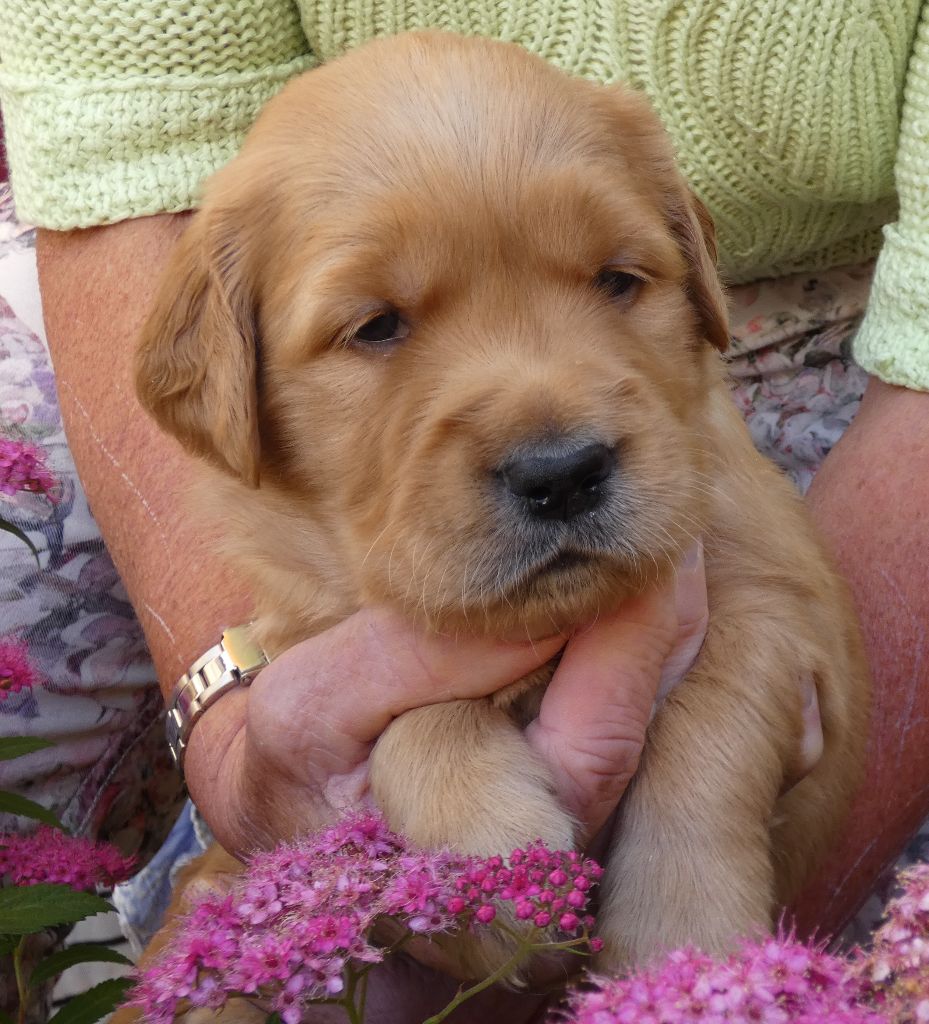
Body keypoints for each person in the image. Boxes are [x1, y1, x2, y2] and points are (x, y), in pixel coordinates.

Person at [1, 2, 928, 1019]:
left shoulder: (694, 474)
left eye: (615, 278)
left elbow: (784, 623)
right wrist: (264, 740)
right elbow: (121, 148)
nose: (552, 444)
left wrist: (693, 858)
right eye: (377, 325)